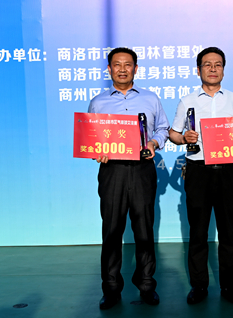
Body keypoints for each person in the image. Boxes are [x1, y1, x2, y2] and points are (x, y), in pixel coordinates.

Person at [87, 47, 169, 310]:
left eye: (128, 64)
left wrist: (154, 142)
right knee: (112, 229)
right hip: (112, 171)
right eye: (117, 64)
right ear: (109, 69)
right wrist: (96, 150)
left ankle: (146, 284)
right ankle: (111, 288)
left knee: (144, 228)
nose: (122, 69)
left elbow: (163, 128)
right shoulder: (98, 102)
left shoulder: (151, 98)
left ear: (136, 68)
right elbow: (92, 136)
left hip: (143, 168)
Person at [168, 47, 233, 305]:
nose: (213, 69)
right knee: (198, 232)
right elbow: (173, 133)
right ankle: (199, 286)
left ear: (223, 69)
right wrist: (184, 138)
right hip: (198, 171)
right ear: (198, 70)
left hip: (227, 171)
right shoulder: (187, 101)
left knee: (227, 234)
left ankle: (229, 285)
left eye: (218, 64)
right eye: (207, 64)